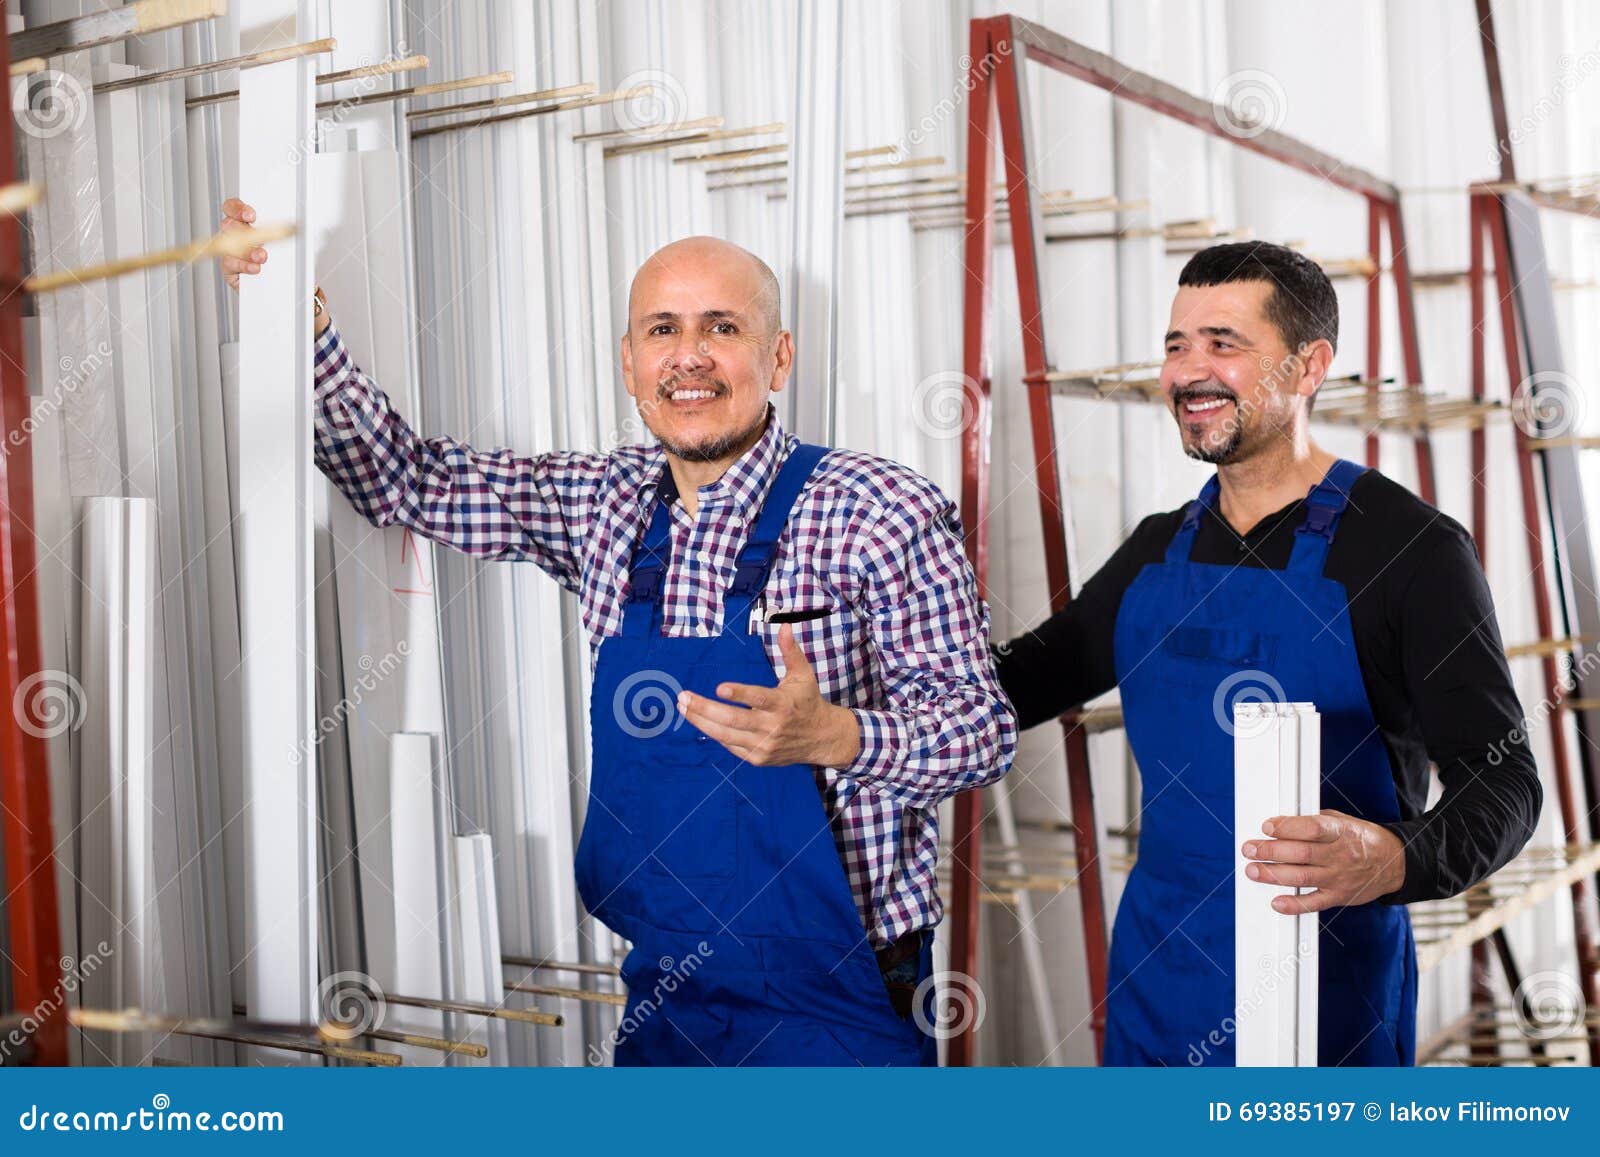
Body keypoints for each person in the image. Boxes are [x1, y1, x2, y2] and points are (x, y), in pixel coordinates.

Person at [221, 198, 1016, 1067]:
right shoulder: (606, 506)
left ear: (777, 356)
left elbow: (982, 732)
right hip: (668, 995)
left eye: (723, 327)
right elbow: (405, 481)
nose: (691, 357)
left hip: (838, 997)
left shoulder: (877, 508)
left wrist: (837, 733)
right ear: (630, 365)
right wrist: (304, 325)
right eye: (663, 330)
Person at [995, 241, 1540, 1066]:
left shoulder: (1409, 551)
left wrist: (1395, 855)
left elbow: (1504, 781)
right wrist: (863, 682)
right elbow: (1023, 680)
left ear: (1309, 364)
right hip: (1158, 984)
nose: (1187, 372)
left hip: (1324, 995)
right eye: (1176, 344)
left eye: (1224, 344)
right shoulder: (1152, 553)